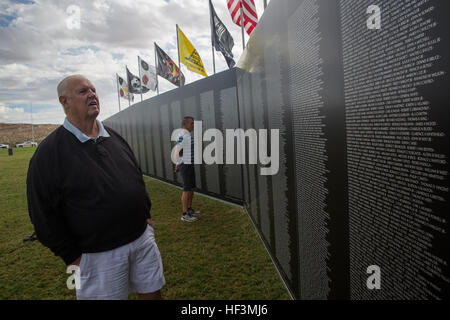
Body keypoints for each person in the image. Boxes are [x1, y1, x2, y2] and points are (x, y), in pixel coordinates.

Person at [26, 74, 165, 300]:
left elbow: (135, 177)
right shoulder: (49, 153)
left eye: (93, 90)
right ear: (64, 101)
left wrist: (146, 217)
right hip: (98, 257)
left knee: (153, 293)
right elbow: (42, 214)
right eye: (83, 91)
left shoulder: (114, 137)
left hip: (141, 241)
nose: (92, 94)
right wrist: (73, 257)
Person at [174, 116, 201, 222]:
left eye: (193, 123)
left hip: (189, 164)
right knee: (186, 189)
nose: (193, 125)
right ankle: (184, 214)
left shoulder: (187, 134)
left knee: (192, 188)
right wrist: (178, 162)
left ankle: (189, 209)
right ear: (185, 124)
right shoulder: (182, 135)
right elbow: (177, 150)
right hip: (185, 165)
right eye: (192, 123)